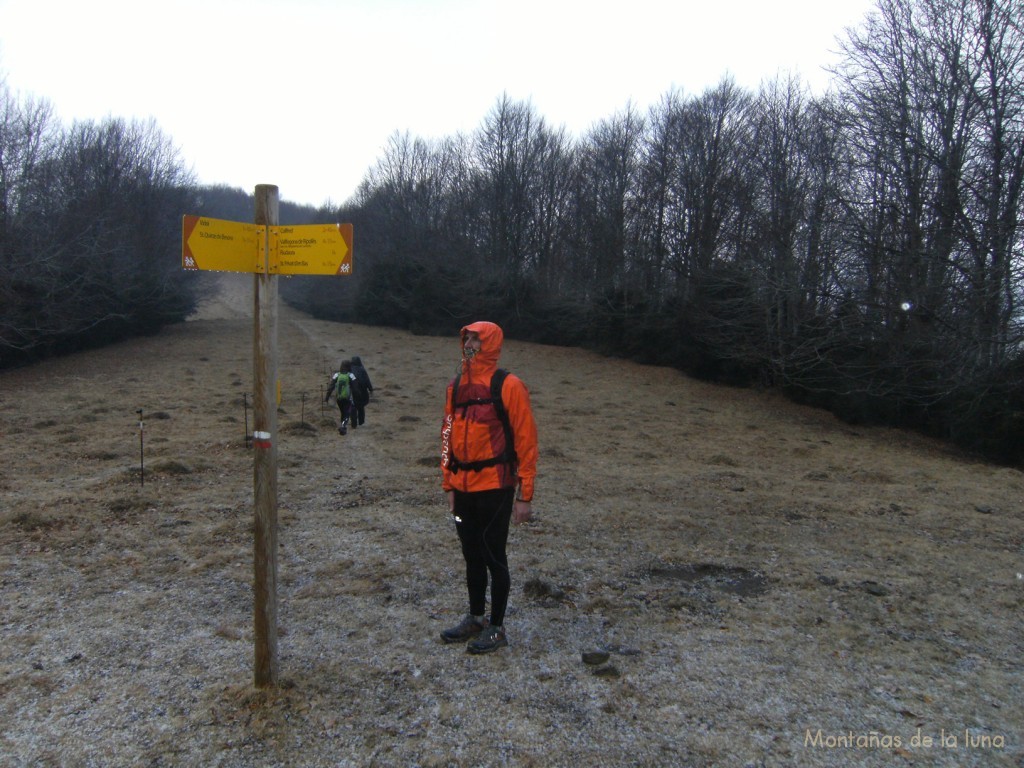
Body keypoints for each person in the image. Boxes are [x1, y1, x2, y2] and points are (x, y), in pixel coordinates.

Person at [440, 321, 538, 654]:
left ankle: (496, 628)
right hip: (463, 488)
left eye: (477, 338)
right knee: (471, 555)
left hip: (496, 487)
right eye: (466, 336)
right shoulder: (455, 387)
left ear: (491, 343)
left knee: (494, 556)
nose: (470, 342)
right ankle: (475, 618)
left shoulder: (508, 385)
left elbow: (526, 442)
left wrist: (525, 495)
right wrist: (448, 484)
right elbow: (446, 437)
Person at [325, 360, 355, 435]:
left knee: (343, 413)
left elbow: (331, 387)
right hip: (348, 398)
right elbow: (356, 387)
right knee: (347, 413)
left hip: (338, 398)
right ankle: (343, 426)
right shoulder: (351, 375)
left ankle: (343, 429)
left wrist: (327, 397)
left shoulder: (336, 375)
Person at [349, 355, 374, 428]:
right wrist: (370, 389)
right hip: (363, 392)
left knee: (352, 407)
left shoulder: (349, 369)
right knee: (361, 407)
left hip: (352, 392)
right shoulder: (362, 370)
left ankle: (353, 424)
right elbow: (367, 380)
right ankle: (361, 422)